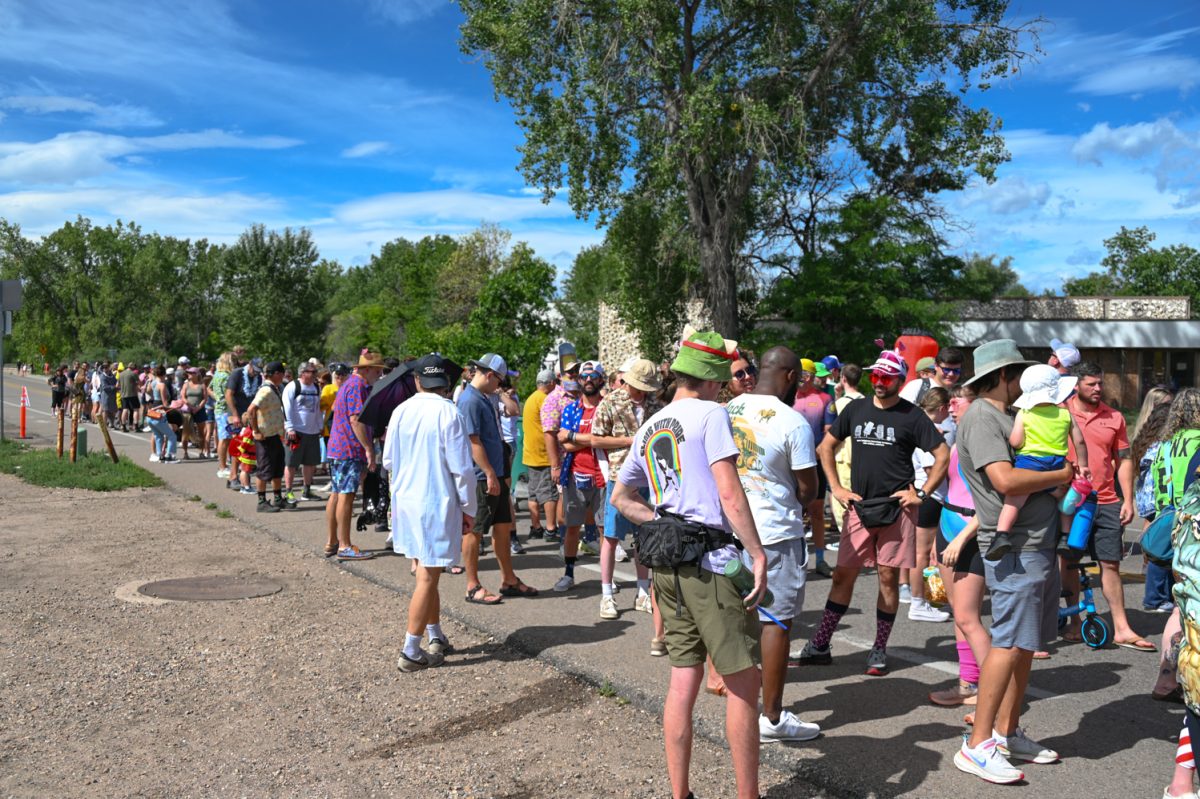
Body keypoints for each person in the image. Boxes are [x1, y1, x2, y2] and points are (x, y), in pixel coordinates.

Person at [611, 329, 768, 799]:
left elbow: (621, 496)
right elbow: (728, 491)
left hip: (668, 565)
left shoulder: (653, 423)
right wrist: (756, 552)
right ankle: (748, 795)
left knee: (683, 679)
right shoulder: (711, 415)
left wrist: (662, 521)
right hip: (713, 562)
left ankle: (680, 793)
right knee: (743, 684)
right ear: (713, 379)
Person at [953, 339, 1069, 784]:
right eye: (1019, 372)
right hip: (1015, 548)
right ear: (1003, 375)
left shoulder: (1007, 414)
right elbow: (1005, 479)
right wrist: (1061, 475)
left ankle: (1007, 731)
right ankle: (978, 744)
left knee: (1023, 644)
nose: (1025, 380)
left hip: (1035, 543)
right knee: (1006, 643)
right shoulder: (983, 416)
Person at [797, 345, 948, 676]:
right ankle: (820, 643)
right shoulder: (857, 409)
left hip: (898, 510)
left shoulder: (912, 415)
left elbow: (942, 455)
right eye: (875, 375)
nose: (878, 382)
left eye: (886, 377)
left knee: (888, 578)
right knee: (842, 574)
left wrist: (922, 492)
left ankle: (879, 649)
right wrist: (836, 487)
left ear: (899, 380)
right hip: (860, 508)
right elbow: (826, 447)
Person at [726, 346, 822, 743]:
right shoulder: (793, 422)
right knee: (776, 623)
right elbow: (808, 488)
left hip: (728, 529)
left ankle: (739, 702)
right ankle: (772, 717)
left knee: (735, 617)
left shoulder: (726, 411)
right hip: (775, 534)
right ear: (790, 377)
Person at [383, 354, 476, 672]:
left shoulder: (400, 411)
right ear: (445, 383)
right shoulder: (449, 412)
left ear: (418, 380)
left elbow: (388, 461)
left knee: (428, 569)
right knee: (427, 574)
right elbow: (462, 468)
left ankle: (435, 634)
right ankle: (410, 650)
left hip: (406, 500)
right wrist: (469, 507)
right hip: (437, 501)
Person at [1060, 361, 1154, 652]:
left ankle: (1122, 628)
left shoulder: (1114, 417)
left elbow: (1124, 459)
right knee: (1069, 562)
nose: (1098, 388)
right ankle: (1075, 621)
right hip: (1071, 502)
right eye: (1091, 384)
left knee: (1111, 562)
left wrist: (1128, 499)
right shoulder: (1060, 413)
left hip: (1107, 500)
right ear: (1076, 385)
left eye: (1100, 383)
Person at [928, 384, 990, 713]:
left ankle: (996, 695)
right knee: (960, 615)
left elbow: (992, 501)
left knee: (969, 617)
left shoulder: (984, 440)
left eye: (957, 399)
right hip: (948, 526)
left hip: (968, 533)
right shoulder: (957, 438)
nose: (950, 405)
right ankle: (969, 683)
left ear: (977, 402)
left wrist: (961, 538)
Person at [987, 364, 1089, 561]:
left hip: (1030, 463)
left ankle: (1001, 535)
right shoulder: (1065, 414)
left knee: (1014, 501)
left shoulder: (1024, 413)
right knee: (1065, 500)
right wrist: (1083, 465)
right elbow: (1080, 441)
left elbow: (1016, 441)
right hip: (1057, 463)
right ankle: (1065, 538)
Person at [588, 358, 663, 622]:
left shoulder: (656, 405)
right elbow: (595, 439)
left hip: (649, 478)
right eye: (639, 386)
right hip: (620, 477)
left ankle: (643, 592)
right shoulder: (611, 401)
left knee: (645, 536)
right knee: (611, 536)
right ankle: (607, 594)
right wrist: (631, 441)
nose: (642, 392)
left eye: (647, 387)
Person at [458, 353, 537, 603]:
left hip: (496, 472)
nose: (500, 387)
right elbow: (473, 441)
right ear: (490, 375)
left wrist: (499, 472)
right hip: (482, 475)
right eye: (499, 381)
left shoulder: (486, 396)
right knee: (475, 530)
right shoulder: (470, 400)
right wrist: (490, 473)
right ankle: (472, 585)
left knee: (503, 526)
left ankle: (509, 580)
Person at [553, 361, 608, 591]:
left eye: (593, 376)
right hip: (576, 475)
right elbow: (563, 442)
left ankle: (608, 578)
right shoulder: (571, 409)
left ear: (600, 379)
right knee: (572, 526)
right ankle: (568, 573)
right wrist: (591, 439)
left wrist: (575, 436)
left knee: (606, 529)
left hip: (604, 475)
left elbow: (605, 440)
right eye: (583, 377)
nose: (587, 380)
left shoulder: (607, 408)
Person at [325, 351, 384, 560]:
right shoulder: (357, 386)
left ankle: (333, 541)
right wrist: (368, 448)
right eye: (377, 370)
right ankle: (344, 545)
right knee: (346, 495)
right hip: (348, 449)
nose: (379, 374)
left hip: (338, 448)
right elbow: (355, 419)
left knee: (337, 493)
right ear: (366, 369)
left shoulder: (350, 384)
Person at [906, 387, 953, 623]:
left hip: (930, 496)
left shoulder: (920, 423)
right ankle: (918, 603)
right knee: (922, 553)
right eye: (949, 407)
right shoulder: (925, 428)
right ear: (942, 407)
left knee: (932, 554)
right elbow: (930, 467)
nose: (951, 411)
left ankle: (934, 598)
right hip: (929, 497)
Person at [792, 358, 835, 579]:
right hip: (789, 465)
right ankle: (796, 560)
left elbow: (829, 431)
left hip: (814, 464)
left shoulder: (825, 399)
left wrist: (818, 450)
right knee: (794, 513)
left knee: (817, 512)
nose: (802, 380)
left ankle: (819, 559)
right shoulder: (784, 398)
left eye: (805, 375)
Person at [1134, 403, 1176, 613]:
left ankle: (1161, 596)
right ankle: (1155, 598)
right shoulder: (1162, 446)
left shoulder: (1146, 442)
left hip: (1149, 501)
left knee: (1159, 548)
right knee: (1161, 551)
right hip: (1159, 502)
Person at [541, 352, 583, 543]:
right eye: (570, 372)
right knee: (565, 499)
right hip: (566, 459)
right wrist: (555, 465)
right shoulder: (553, 399)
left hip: (586, 456)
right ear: (559, 376)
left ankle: (588, 538)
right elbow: (549, 433)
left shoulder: (583, 394)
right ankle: (564, 539)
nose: (574, 374)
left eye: (576, 371)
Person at [245, 361, 294, 513]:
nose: (283, 376)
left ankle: (278, 499)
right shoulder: (265, 390)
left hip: (274, 435)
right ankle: (261, 501)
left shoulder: (275, 388)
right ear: (277, 374)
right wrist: (256, 431)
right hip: (265, 436)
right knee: (264, 469)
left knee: (277, 468)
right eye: (282, 373)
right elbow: (251, 410)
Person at [522, 369, 557, 541]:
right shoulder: (545, 400)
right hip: (543, 454)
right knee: (548, 493)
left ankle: (536, 527)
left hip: (530, 454)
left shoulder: (531, 398)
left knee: (533, 494)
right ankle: (551, 529)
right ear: (550, 383)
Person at [281, 362, 324, 502]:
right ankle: (288, 491)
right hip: (296, 431)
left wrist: (320, 426)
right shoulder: (293, 386)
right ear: (302, 373)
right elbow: (286, 408)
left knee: (310, 463)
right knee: (291, 463)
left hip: (312, 431)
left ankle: (307, 490)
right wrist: (290, 428)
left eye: (314, 371)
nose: (313, 374)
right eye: (310, 372)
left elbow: (318, 408)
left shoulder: (316, 387)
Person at [211, 353, 235, 480]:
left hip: (219, 409)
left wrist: (217, 398)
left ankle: (224, 465)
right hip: (225, 410)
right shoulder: (226, 376)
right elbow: (229, 394)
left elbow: (209, 389)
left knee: (225, 438)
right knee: (224, 438)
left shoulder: (216, 375)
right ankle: (222, 467)